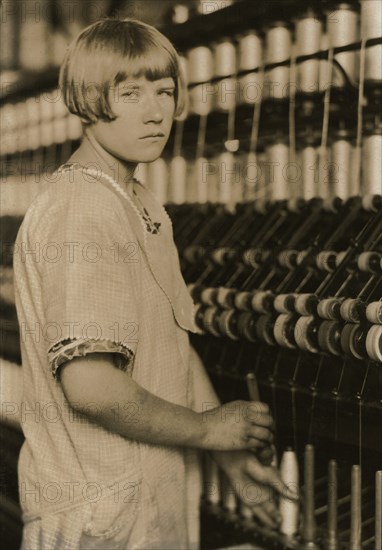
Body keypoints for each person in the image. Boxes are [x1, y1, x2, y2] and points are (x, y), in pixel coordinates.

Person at [13, 18, 292, 550]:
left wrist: (229, 455)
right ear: (90, 99)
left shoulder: (139, 204)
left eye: (164, 91)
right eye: (131, 92)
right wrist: (210, 429)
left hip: (143, 500)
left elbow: (173, 344)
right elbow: (91, 386)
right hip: (98, 514)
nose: (156, 110)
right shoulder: (83, 210)